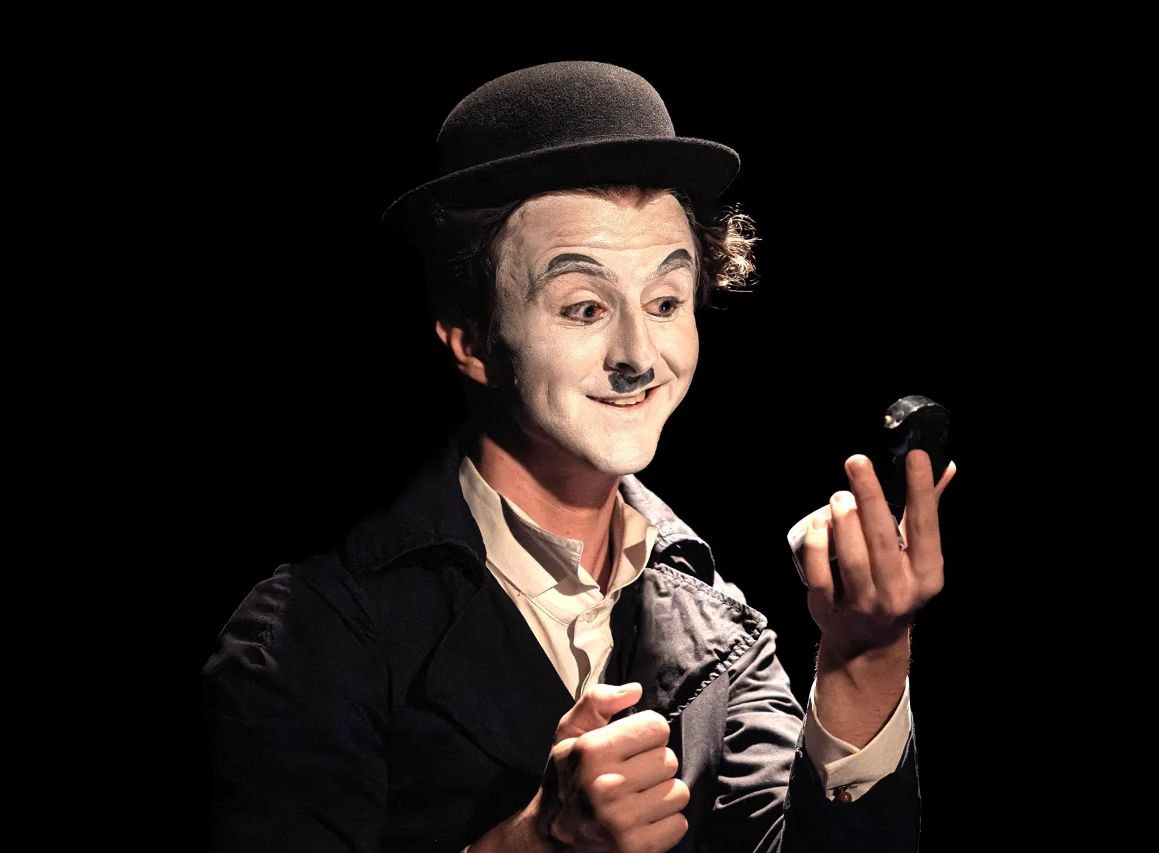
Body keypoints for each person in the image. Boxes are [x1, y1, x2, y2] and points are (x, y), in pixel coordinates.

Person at [200, 60, 957, 852]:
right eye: (584, 307)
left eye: (665, 302)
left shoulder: (719, 623)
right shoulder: (313, 633)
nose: (639, 355)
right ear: (471, 339)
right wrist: (534, 841)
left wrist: (864, 660)